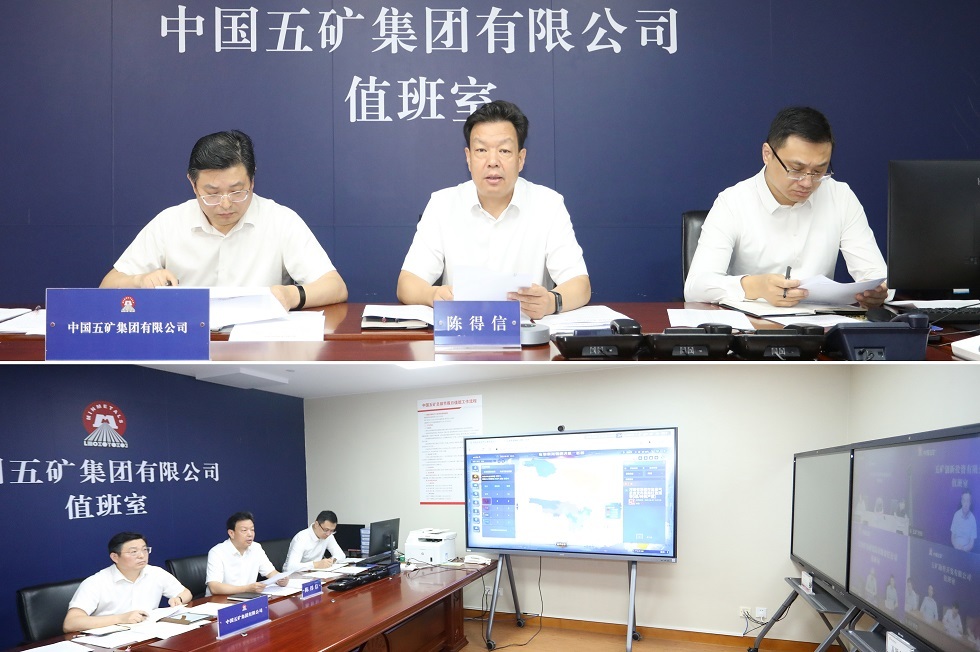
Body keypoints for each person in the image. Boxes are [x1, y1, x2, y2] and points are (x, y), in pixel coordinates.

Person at [100, 130, 347, 311]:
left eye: (237, 191)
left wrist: (291, 296)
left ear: (252, 180)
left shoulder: (280, 220)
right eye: (212, 193)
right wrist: (139, 281)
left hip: (259, 347)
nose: (226, 204)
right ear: (193, 184)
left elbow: (335, 287)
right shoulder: (169, 223)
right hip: (186, 344)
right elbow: (107, 286)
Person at [397, 100, 590, 320]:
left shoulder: (548, 204)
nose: (492, 161)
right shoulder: (442, 204)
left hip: (526, 334)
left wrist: (551, 302)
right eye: (481, 150)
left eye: (504, 150)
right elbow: (407, 283)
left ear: (521, 159)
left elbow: (580, 284)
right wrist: (432, 295)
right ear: (468, 158)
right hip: (463, 332)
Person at [684, 106, 887, 308]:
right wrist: (755, 286)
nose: (807, 182)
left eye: (819, 171)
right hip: (752, 323)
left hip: (821, 322)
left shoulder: (840, 196)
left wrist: (878, 293)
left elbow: (878, 276)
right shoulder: (733, 202)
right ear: (767, 154)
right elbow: (695, 287)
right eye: (796, 169)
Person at [63, 532, 191, 633]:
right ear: (115, 557)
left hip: (149, 633)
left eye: (145, 550)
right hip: (110, 639)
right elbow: (70, 623)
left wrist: (179, 599)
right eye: (133, 552)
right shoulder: (96, 582)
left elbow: (186, 593)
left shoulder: (155, 573)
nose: (142, 556)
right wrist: (121, 618)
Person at [205, 511, 289, 596]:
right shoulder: (217, 552)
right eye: (244, 530)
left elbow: (270, 572)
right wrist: (246, 589)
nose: (250, 534)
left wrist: (280, 579)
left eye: (252, 530)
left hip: (246, 598)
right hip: (220, 600)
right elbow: (214, 587)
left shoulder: (256, 548)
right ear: (231, 533)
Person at [283, 510, 347, 572]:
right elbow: (291, 567)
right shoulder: (301, 538)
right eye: (326, 530)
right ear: (316, 524)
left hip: (315, 573)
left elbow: (341, 555)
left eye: (332, 530)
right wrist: (315, 565)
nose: (328, 534)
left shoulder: (329, 535)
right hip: (293, 576)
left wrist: (332, 560)